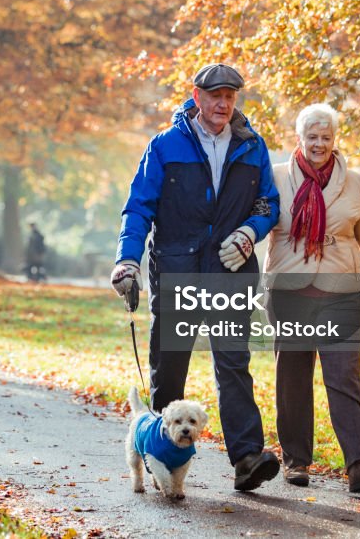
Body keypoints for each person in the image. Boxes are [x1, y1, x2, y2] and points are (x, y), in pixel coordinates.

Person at [111, 63, 282, 492]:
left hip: (230, 271)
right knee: (170, 366)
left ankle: (246, 459)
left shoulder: (251, 145)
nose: (224, 103)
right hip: (177, 269)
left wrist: (248, 233)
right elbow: (139, 207)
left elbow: (268, 204)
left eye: (231, 95)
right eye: (216, 95)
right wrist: (127, 261)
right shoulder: (166, 145)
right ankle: (159, 451)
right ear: (197, 96)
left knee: (233, 363)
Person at [263, 103, 360, 493]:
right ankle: (296, 462)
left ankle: (359, 463)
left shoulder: (354, 182)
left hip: (341, 292)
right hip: (290, 291)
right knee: (292, 378)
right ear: (299, 139)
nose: (319, 144)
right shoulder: (274, 178)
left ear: (335, 139)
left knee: (343, 375)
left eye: (326, 137)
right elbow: (255, 223)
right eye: (312, 137)